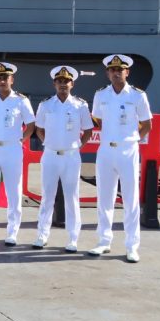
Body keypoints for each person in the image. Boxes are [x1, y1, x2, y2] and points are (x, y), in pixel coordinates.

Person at [88, 54, 152, 263]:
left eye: (120, 70)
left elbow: (147, 124)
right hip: (106, 151)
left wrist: (131, 139)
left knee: (130, 199)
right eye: (112, 70)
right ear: (108, 73)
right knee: (104, 197)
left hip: (128, 150)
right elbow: (98, 119)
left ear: (127, 72)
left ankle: (132, 246)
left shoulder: (137, 95)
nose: (116, 73)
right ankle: (103, 241)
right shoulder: (101, 95)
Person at [33, 66, 94, 252]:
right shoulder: (46, 105)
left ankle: (73, 238)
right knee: (47, 196)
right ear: (54, 84)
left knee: (72, 197)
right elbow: (39, 129)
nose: (63, 84)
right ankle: (42, 235)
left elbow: (88, 130)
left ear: (72, 84)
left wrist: (77, 146)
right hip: (50, 155)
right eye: (59, 81)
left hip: (71, 156)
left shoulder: (80, 105)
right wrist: (49, 143)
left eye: (66, 81)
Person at [0, 62, 36, 245]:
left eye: (5, 77)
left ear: (12, 79)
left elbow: (31, 125)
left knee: (14, 191)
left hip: (12, 149)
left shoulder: (21, 100)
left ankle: (12, 232)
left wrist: (20, 140)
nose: (2, 81)